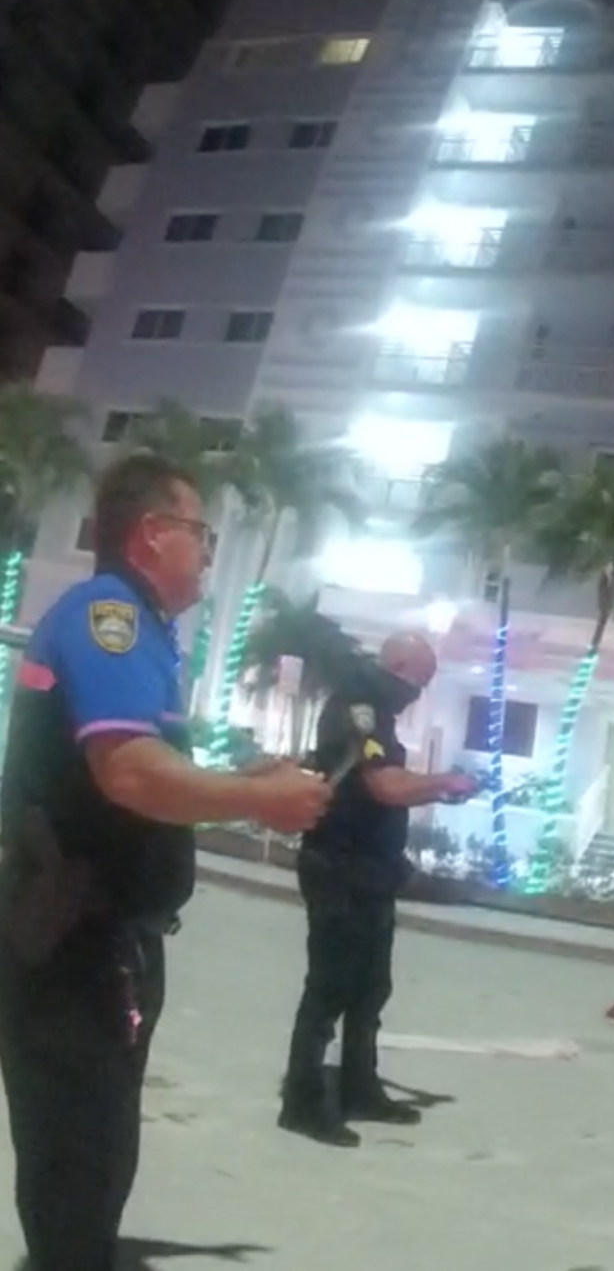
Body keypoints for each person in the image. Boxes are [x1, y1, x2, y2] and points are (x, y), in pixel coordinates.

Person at [0, 452, 332, 1271]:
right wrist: (260, 800)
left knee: (95, 1148)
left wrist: (241, 780)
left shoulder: (141, 631)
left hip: (98, 941)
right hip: (69, 942)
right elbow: (130, 773)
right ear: (152, 534)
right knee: (79, 1157)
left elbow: (139, 766)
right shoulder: (107, 617)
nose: (210, 552)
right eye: (201, 533)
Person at [279, 630, 476, 1146]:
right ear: (399, 666)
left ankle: (359, 1088)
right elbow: (384, 785)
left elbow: (386, 782)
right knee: (329, 989)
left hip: (370, 870)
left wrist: (435, 788)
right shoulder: (358, 707)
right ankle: (301, 1102)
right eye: (419, 681)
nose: (419, 693)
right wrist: (445, 782)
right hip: (338, 866)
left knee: (370, 988)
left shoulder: (377, 713)